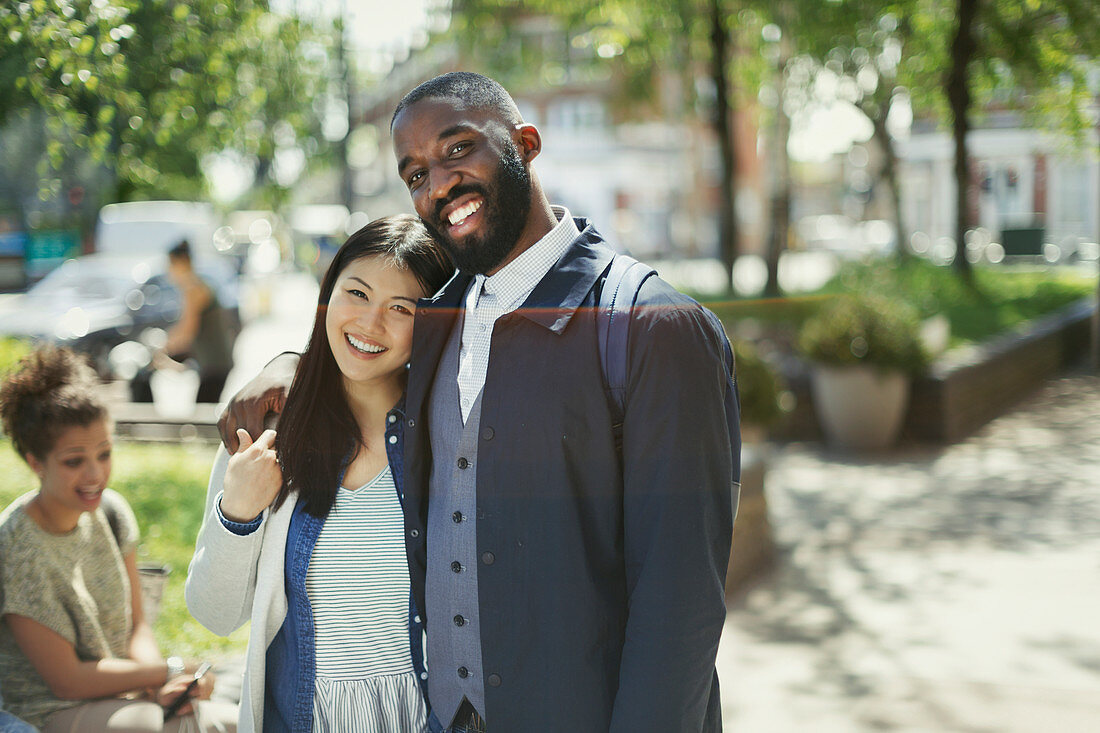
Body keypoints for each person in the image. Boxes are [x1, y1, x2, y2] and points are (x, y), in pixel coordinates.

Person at [220, 71, 741, 732]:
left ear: (525, 143)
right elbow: (360, 357)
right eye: (414, 174)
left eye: (458, 149)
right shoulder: (436, 323)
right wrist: (288, 364)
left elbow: (682, 603)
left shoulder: (653, 328)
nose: (438, 184)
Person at [185, 216, 454, 732]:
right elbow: (214, 614)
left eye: (402, 308)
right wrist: (237, 512)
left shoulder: (450, 438)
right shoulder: (266, 432)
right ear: (328, 294)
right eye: (357, 293)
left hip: (428, 717)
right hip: (306, 717)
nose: (370, 323)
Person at [0, 345, 236, 733]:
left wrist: (163, 684)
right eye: (74, 461)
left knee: (232, 721)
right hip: (46, 709)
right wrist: (170, 668)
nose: (95, 474)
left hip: (122, 695)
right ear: (35, 462)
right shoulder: (17, 546)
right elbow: (67, 680)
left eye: (104, 454)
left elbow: (136, 627)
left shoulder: (111, 513)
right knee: (153, 725)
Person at [132, 240, 235, 404]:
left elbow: (187, 331)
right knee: (203, 410)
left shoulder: (194, 289)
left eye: (171, 264)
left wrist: (163, 346)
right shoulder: (195, 285)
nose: (169, 271)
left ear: (182, 262)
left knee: (204, 415)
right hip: (213, 363)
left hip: (215, 364)